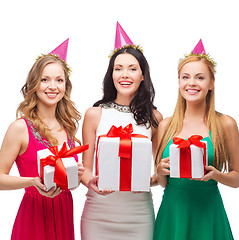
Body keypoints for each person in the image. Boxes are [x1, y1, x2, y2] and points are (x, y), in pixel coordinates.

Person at [0, 39, 84, 240]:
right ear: (34, 84)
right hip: (34, 215)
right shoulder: (20, 128)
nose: (53, 86)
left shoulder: (67, 127)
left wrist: (74, 177)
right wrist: (33, 182)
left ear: (66, 85)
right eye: (45, 80)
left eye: (59, 80)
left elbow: (67, 184)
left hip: (63, 212)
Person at [80, 22, 163, 240]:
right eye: (118, 68)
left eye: (132, 68)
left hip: (139, 214)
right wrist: (91, 182)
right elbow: (85, 169)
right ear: (111, 74)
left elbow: (160, 172)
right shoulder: (94, 114)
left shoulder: (155, 118)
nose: (124, 75)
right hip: (98, 213)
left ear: (143, 75)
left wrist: (149, 181)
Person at [153, 39, 239, 240]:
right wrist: (159, 171)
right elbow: (164, 183)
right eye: (185, 77)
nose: (191, 83)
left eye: (200, 77)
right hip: (173, 213)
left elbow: (237, 179)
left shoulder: (226, 124)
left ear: (211, 84)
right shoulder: (166, 125)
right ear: (179, 82)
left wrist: (215, 175)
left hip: (208, 212)